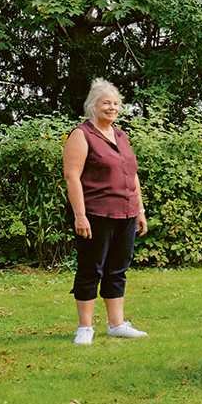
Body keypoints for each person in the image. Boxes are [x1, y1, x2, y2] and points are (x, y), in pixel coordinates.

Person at [63, 80, 149, 345]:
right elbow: (72, 177)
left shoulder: (121, 135)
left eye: (115, 103)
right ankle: (85, 328)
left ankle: (116, 324)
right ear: (93, 105)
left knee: (117, 269)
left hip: (127, 212)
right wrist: (80, 215)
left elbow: (131, 174)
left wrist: (141, 209)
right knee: (91, 269)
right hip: (96, 214)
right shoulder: (82, 134)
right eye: (106, 103)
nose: (112, 107)